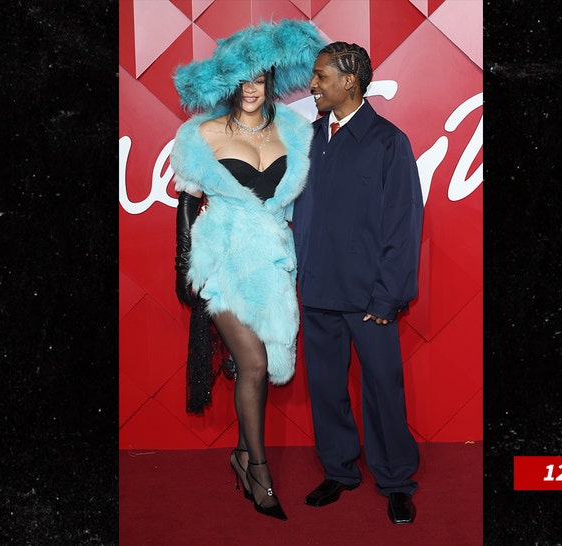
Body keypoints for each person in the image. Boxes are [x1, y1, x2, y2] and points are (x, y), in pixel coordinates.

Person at [169, 20, 324, 521]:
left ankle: (241, 453)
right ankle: (258, 469)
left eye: (260, 78)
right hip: (223, 261)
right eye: (243, 79)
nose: (252, 88)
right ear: (229, 83)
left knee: (262, 370)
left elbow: (304, 205)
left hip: (275, 264)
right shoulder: (201, 134)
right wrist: (185, 268)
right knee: (252, 365)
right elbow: (187, 206)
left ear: (271, 81)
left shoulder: (296, 133)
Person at [292, 42, 424, 525]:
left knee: (383, 389)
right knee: (326, 387)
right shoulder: (306, 139)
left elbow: (403, 223)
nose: (313, 85)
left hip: (371, 297)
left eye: (321, 76)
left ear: (350, 80)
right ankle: (339, 471)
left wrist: (389, 295)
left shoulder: (390, 141)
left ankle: (395, 480)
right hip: (320, 289)